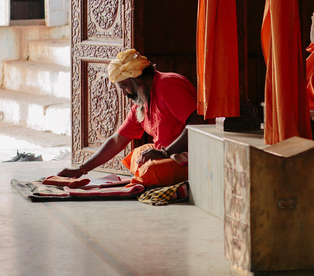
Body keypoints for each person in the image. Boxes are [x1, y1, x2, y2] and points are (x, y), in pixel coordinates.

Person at [58, 49, 204, 186]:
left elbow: (198, 125)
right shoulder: (143, 99)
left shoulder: (168, 84)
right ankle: (147, 177)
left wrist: (165, 153)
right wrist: (81, 169)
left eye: (123, 87)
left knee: (151, 170)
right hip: (166, 154)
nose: (124, 93)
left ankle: (147, 178)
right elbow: (117, 141)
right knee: (136, 155)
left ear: (138, 80)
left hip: (190, 156)